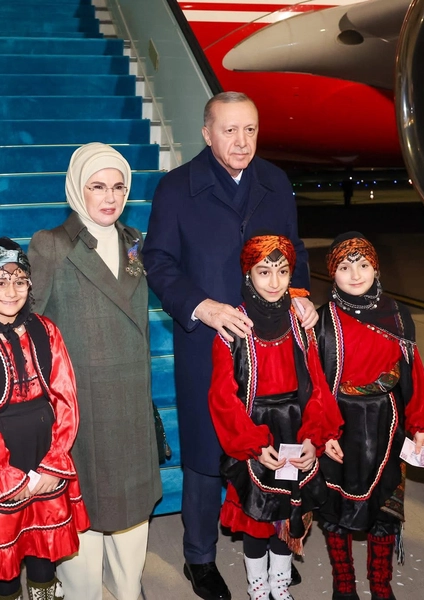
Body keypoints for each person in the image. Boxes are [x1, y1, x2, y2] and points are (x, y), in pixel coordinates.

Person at [143, 91, 318, 600]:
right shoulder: (177, 188)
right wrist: (202, 306)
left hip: (273, 343)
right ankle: (199, 557)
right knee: (206, 453)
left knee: (275, 443)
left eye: (250, 130)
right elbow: (158, 261)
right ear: (206, 133)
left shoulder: (275, 182)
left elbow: (294, 251)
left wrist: (300, 296)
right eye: (229, 130)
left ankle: (273, 539)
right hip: (208, 340)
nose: (242, 141)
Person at [28, 143, 162, 600]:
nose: (110, 197)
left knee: (131, 504)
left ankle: (126, 588)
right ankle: (82, 591)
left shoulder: (133, 239)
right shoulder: (51, 244)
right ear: (76, 189)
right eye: (98, 187)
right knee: (83, 503)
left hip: (131, 394)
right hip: (81, 399)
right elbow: (31, 323)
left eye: (119, 187)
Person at [0, 238, 89, 600]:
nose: (11, 291)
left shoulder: (47, 330)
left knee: (44, 552)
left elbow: (65, 397)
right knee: (5, 562)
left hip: (45, 452)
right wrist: (5, 472)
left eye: (20, 281)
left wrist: (55, 462)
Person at [209, 234, 343, 600]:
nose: (274, 281)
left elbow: (317, 385)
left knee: (287, 514)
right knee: (257, 518)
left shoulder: (301, 324)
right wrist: (252, 444)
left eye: (282, 271)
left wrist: (314, 436)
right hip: (255, 430)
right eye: (263, 271)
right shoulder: (232, 329)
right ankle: (258, 587)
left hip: (296, 429)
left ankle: (280, 584)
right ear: (247, 274)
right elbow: (222, 397)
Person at [316, 233, 424, 600]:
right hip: (340, 423)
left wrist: (421, 425)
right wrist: (324, 431)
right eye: (344, 267)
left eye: (364, 265)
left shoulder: (398, 315)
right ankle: (344, 584)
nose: (355, 275)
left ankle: (381, 585)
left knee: (384, 508)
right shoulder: (323, 321)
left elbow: (414, 371)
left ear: (376, 268)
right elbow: (316, 384)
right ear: (332, 273)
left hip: (388, 422)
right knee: (336, 507)